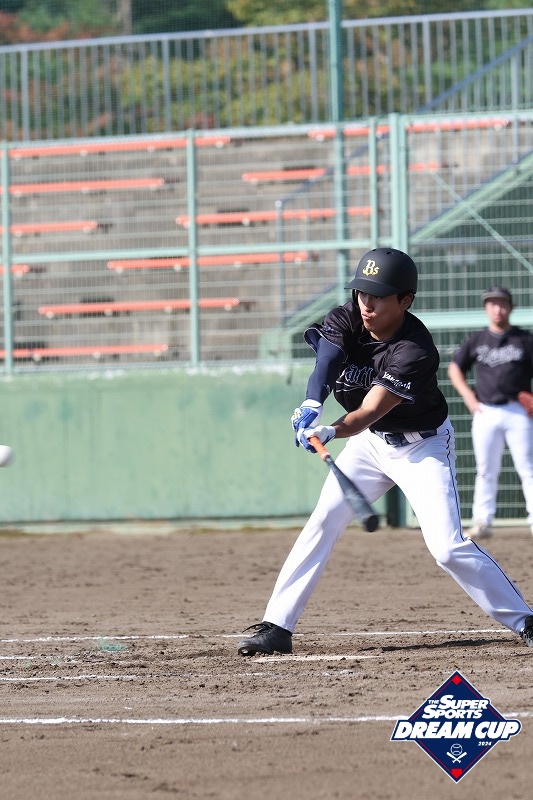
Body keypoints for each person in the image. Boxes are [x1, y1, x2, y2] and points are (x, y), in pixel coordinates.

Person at [237, 248, 533, 656]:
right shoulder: (349, 316)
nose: (367, 304)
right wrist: (311, 403)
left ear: (405, 300)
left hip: (422, 447)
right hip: (371, 444)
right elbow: (327, 360)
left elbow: (369, 412)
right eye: (362, 293)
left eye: (378, 296)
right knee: (323, 520)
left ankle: (524, 619)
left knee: (447, 548)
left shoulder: (415, 349)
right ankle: (277, 626)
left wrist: (329, 430)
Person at [447, 286, 533, 540]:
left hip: (518, 411)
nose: (498, 308)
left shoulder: (524, 339)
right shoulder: (477, 340)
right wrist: (468, 396)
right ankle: (483, 521)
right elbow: (455, 368)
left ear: (510, 307)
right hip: (485, 410)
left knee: (528, 467)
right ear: (486, 308)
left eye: (502, 303)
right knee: (485, 469)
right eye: (492, 303)